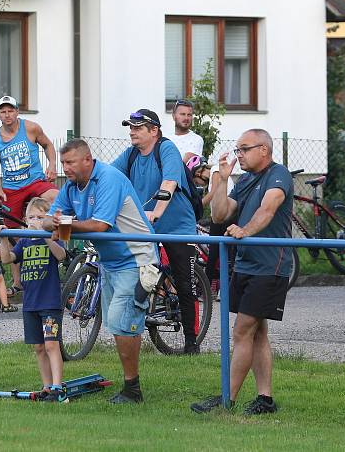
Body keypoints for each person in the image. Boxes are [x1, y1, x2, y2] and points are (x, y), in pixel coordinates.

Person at [44, 139, 158, 404]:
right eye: (63, 163)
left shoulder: (108, 178)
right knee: (118, 324)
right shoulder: (71, 186)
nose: (66, 168)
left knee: (121, 322)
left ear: (88, 160)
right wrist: (55, 221)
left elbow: (100, 226)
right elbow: (50, 218)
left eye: (70, 162)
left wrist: (64, 223)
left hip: (136, 259)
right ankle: (131, 385)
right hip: (110, 262)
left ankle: (133, 390)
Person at [191, 129, 293, 415]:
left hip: (269, 266)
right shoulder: (245, 180)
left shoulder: (279, 174)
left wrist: (246, 230)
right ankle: (265, 399)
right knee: (257, 332)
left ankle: (227, 399)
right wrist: (223, 180)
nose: (239, 155)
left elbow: (268, 209)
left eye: (244, 149)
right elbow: (221, 215)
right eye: (237, 150)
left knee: (242, 331)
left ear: (264, 149)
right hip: (246, 263)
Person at [112, 108, 200, 354]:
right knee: (136, 276)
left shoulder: (166, 149)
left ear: (154, 131)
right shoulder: (131, 154)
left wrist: (158, 210)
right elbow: (108, 176)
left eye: (138, 128)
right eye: (130, 127)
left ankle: (192, 343)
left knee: (185, 283)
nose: (132, 132)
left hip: (176, 227)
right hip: (144, 226)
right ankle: (134, 329)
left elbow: (170, 181)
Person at [0, 198, 67, 402]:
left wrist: (44, 234)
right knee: (38, 347)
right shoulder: (25, 242)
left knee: (52, 345)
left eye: (40, 217)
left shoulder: (53, 237)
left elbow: (61, 255)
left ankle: (57, 386)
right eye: (31, 217)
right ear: (25, 220)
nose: (34, 221)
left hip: (49, 303)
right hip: (31, 304)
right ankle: (46, 386)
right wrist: (2, 239)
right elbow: (8, 258)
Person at [0, 95, 59, 294]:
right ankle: (18, 283)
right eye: (3, 111)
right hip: (12, 187)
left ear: (17, 112)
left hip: (35, 180)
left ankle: (59, 241)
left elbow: (48, 146)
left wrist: (52, 165)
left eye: (11, 110)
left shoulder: (31, 128)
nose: (7, 114)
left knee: (56, 197)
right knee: (12, 234)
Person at [193, 162, 236, 299]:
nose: (198, 183)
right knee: (221, 254)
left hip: (224, 216)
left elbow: (214, 193)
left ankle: (208, 290)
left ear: (199, 172)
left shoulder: (216, 171)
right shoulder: (216, 173)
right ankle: (220, 290)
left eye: (196, 181)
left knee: (216, 255)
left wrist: (195, 208)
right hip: (223, 216)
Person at [167, 99, 204, 164]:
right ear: (173, 116)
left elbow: (184, 165)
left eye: (189, 115)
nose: (186, 118)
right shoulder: (165, 138)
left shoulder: (196, 139)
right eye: (182, 114)